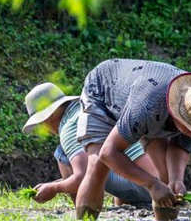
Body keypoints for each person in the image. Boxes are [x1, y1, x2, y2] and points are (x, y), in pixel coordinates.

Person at [73, 59, 191, 219]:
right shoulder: (147, 106)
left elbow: (180, 146)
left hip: (152, 109)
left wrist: (176, 179)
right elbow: (108, 153)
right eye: (189, 128)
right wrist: (151, 184)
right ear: (178, 112)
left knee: (167, 182)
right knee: (98, 166)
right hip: (105, 89)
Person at [22, 82, 155, 207]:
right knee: (106, 156)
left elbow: (83, 176)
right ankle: (125, 204)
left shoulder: (69, 126)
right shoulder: (91, 109)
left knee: (61, 153)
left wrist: (54, 189)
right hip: (155, 181)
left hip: (146, 186)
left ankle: (83, 205)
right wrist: (55, 184)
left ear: (48, 117)